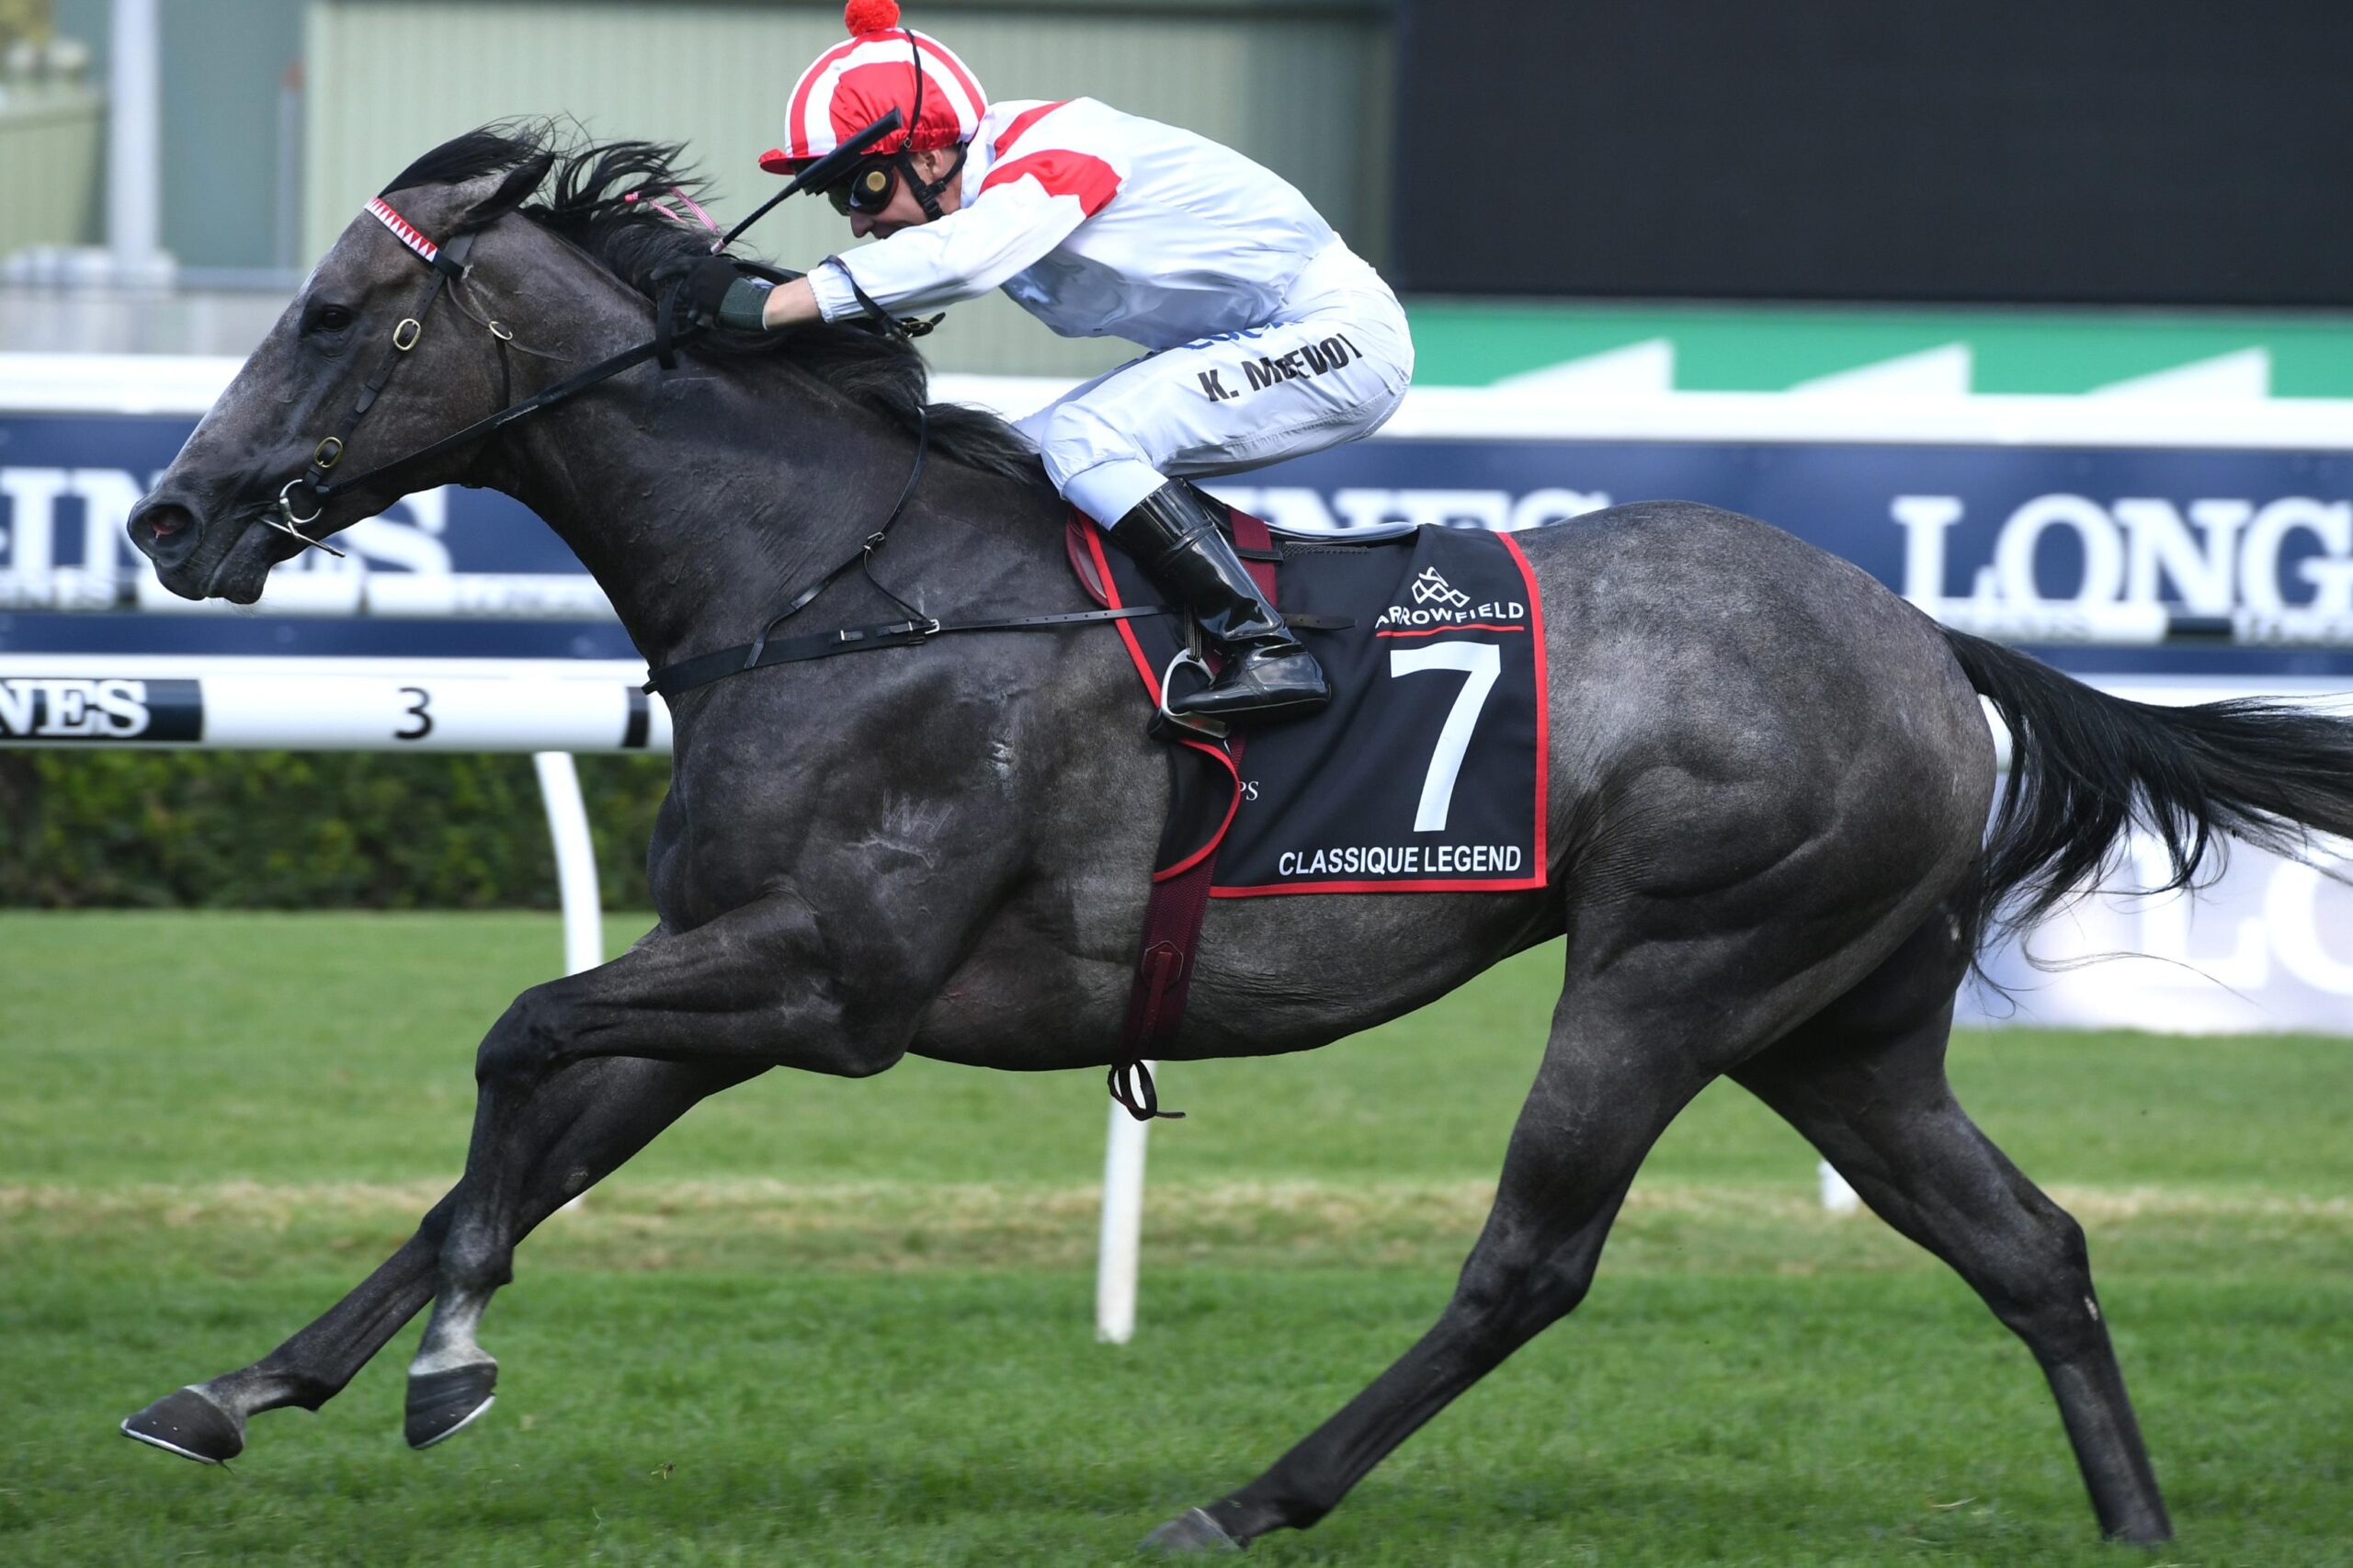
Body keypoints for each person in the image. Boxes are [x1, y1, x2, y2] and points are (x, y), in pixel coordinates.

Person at [665, 0, 1414, 726]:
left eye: (862, 187)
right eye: (842, 203)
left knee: (1086, 440)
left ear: (929, 152)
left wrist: (769, 305)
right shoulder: (989, 186)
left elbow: (970, 257)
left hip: (1337, 334)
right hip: (1252, 338)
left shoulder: (1058, 145)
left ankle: (1265, 645)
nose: (860, 221)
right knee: (1004, 464)